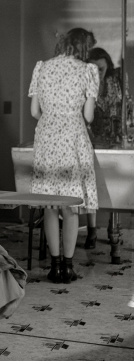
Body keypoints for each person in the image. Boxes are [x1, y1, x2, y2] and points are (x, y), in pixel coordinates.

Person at [28, 27, 99, 284]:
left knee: (50, 206)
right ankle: (67, 268)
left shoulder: (42, 67)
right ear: (83, 47)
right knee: (71, 206)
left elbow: (35, 111)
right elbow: (88, 116)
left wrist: (52, 118)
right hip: (72, 137)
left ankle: (54, 266)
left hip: (46, 137)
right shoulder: (87, 70)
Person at [84, 47, 122, 249]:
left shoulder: (112, 83)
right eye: (95, 69)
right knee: (91, 186)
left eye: (102, 69)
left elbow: (116, 107)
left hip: (108, 136)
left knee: (111, 187)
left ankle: (112, 228)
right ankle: (91, 231)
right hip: (88, 137)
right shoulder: (83, 81)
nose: (99, 73)